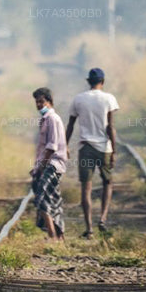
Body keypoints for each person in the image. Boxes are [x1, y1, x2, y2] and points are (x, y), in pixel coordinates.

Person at [66, 68, 120, 238]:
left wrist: (65, 146)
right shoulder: (109, 99)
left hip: (86, 148)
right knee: (107, 183)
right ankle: (103, 219)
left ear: (88, 81)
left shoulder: (79, 99)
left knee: (86, 187)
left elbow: (70, 125)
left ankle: (89, 228)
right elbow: (110, 126)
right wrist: (114, 151)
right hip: (104, 148)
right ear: (102, 81)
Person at [31, 87, 67, 239]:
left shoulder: (52, 119)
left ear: (49, 101)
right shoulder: (46, 119)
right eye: (37, 102)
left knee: (42, 198)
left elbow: (52, 147)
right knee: (53, 199)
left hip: (52, 164)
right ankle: (59, 235)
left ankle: (52, 235)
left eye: (41, 101)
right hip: (50, 163)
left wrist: (41, 167)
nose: (39, 105)